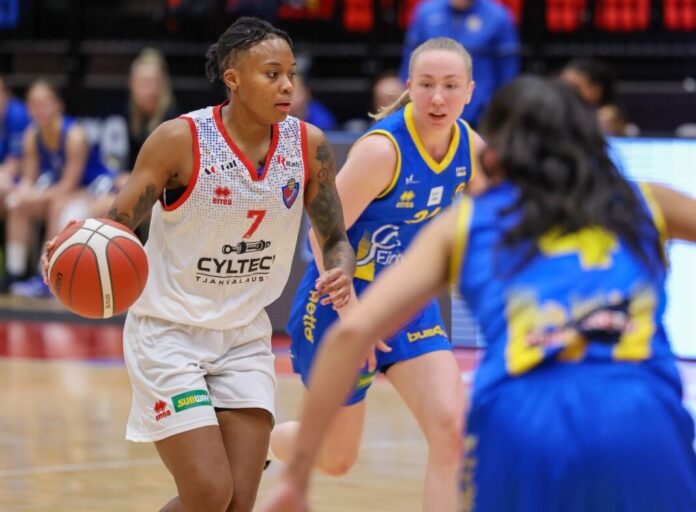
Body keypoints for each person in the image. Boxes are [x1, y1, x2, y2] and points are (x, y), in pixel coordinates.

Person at [262, 75, 696, 512]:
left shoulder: (468, 225)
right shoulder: (646, 202)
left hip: (524, 422)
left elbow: (350, 335)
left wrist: (295, 481)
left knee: (447, 436)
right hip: (644, 417)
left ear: (496, 153)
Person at [43, 17, 354, 512]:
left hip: (243, 334)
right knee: (209, 492)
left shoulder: (308, 145)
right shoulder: (180, 140)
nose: (287, 86)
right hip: (168, 333)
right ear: (233, 79)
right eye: (272, 74)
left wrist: (340, 268)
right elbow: (117, 225)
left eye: (290, 74)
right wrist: (69, 248)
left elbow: (335, 238)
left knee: (238, 502)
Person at [269, 37, 486, 511]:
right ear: (410, 85)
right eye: (426, 84)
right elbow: (322, 237)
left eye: (451, 86)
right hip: (338, 304)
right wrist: (356, 320)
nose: (438, 97)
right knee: (337, 459)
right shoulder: (382, 151)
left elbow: (506, 219)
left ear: (470, 91)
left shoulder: (471, 148)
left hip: (406, 303)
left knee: (453, 432)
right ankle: (260, 441)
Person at [6, 79, 114, 297]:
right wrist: (22, 194)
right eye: (33, 104)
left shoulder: (74, 135)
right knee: (19, 206)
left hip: (94, 187)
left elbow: (68, 185)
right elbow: (29, 179)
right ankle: (13, 274)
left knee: (57, 206)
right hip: (64, 190)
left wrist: (34, 197)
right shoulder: (31, 135)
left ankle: (46, 277)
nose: (39, 110)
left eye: (44, 103)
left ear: (58, 105)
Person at [400, 0, 520, 126]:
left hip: (481, 114)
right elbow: (408, 66)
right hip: (430, 113)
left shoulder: (499, 16)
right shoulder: (425, 13)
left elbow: (508, 75)